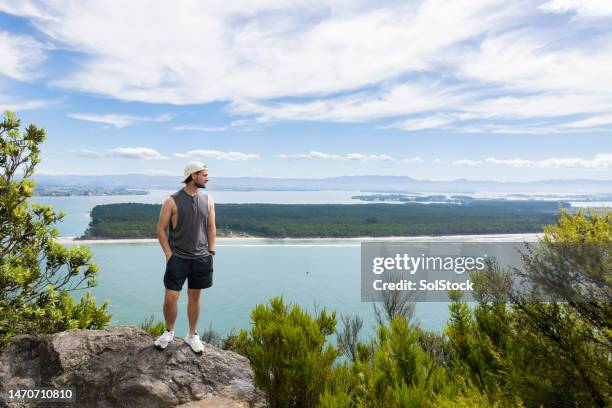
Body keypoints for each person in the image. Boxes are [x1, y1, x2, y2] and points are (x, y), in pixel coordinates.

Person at [154, 161, 216, 354]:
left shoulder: (208, 199)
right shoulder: (171, 201)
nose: (208, 178)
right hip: (178, 258)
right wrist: (168, 253)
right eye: (205, 174)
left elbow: (211, 226)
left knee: (195, 296)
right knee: (171, 298)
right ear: (194, 176)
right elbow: (160, 230)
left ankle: (192, 335)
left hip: (201, 258)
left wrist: (211, 250)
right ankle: (169, 332)